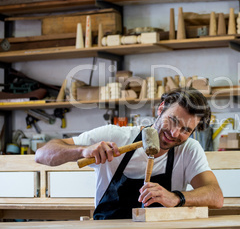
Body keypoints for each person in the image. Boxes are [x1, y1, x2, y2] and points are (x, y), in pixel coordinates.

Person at [35, 87, 224, 219]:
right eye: (173, 121)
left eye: (186, 130)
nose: (175, 134)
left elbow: (216, 196)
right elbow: (42, 154)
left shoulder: (188, 150)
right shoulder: (114, 135)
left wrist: (176, 197)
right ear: (161, 108)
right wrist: (83, 150)